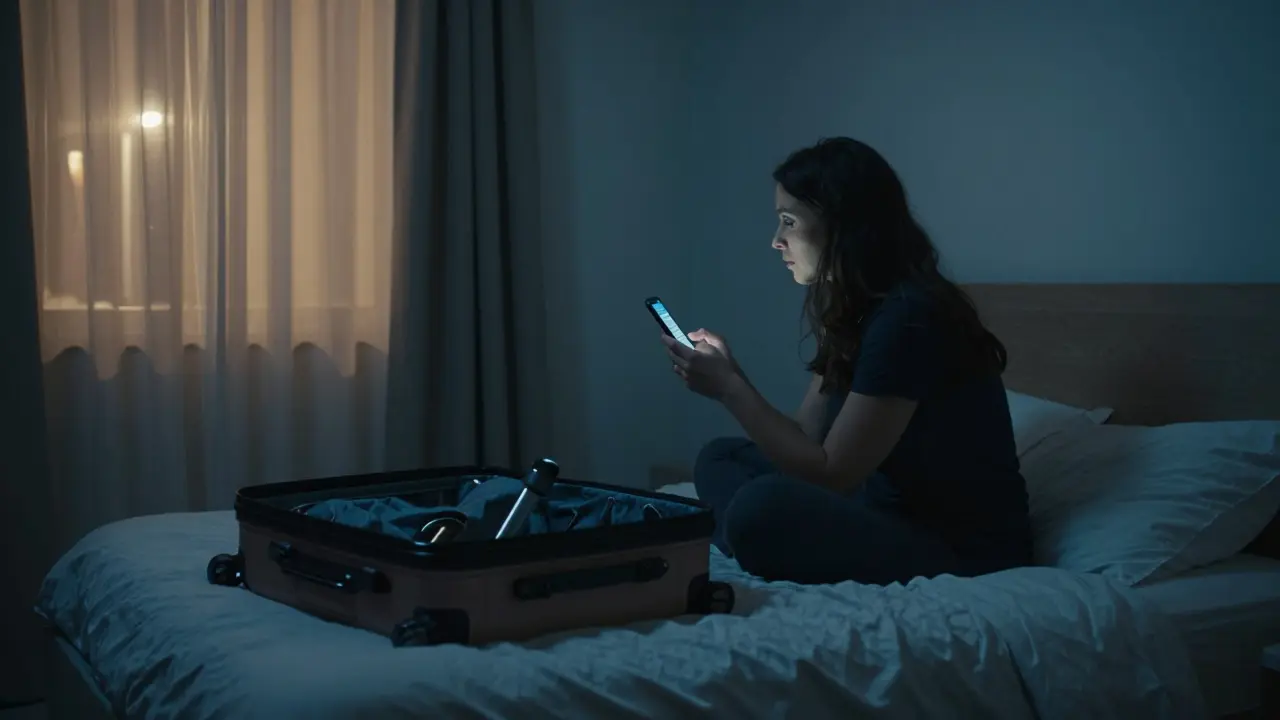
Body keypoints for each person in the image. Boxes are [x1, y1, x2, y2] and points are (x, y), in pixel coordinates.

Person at [661, 137, 1032, 587]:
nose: (776, 240)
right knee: (719, 459)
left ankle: (756, 540)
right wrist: (731, 373)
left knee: (761, 507)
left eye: (789, 222)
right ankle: (759, 542)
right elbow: (805, 438)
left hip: (959, 550)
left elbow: (830, 473)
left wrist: (729, 389)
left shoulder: (910, 318)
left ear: (842, 226)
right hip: (877, 506)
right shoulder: (857, 309)